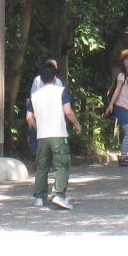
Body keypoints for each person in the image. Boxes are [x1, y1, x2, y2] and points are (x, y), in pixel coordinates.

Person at [26, 61, 82, 210]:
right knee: (61, 165)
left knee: (42, 166)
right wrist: (76, 124)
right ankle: (58, 195)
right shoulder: (61, 91)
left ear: (41, 79)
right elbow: (68, 111)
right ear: (55, 77)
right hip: (58, 134)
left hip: (42, 136)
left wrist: (38, 127)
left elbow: (29, 117)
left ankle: (39, 197)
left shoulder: (35, 96)